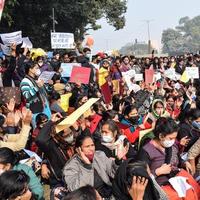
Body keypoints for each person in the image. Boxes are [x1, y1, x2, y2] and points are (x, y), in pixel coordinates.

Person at [138, 117, 200, 199]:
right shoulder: (145, 152)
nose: (173, 141)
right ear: (161, 136)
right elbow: (140, 179)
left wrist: (184, 163)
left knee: (195, 191)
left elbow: (177, 158)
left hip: (176, 180)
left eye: (175, 138)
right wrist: (157, 172)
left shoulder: (172, 146)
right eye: (171, 138)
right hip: (160, 187)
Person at [63, 132, 128, 199]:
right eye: (87, 146)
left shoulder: (99, 155)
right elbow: (75, 190)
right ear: (78, 150)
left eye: (92, 145)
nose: (91, 149)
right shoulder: (70, 166)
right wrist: (87, 167)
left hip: (109, 193)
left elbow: (113, 172)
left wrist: (118, 161)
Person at [20, 61, 52, 127]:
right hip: (35, 110)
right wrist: (36, 87)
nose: (38, 70)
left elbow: (47, 90)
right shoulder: (25, 81)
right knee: (38, 129)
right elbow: (26, 95)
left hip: (45, 107)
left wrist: (50, 85)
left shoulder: (37, 79)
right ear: (30, 69)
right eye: (36, 68)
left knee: (48, 127)